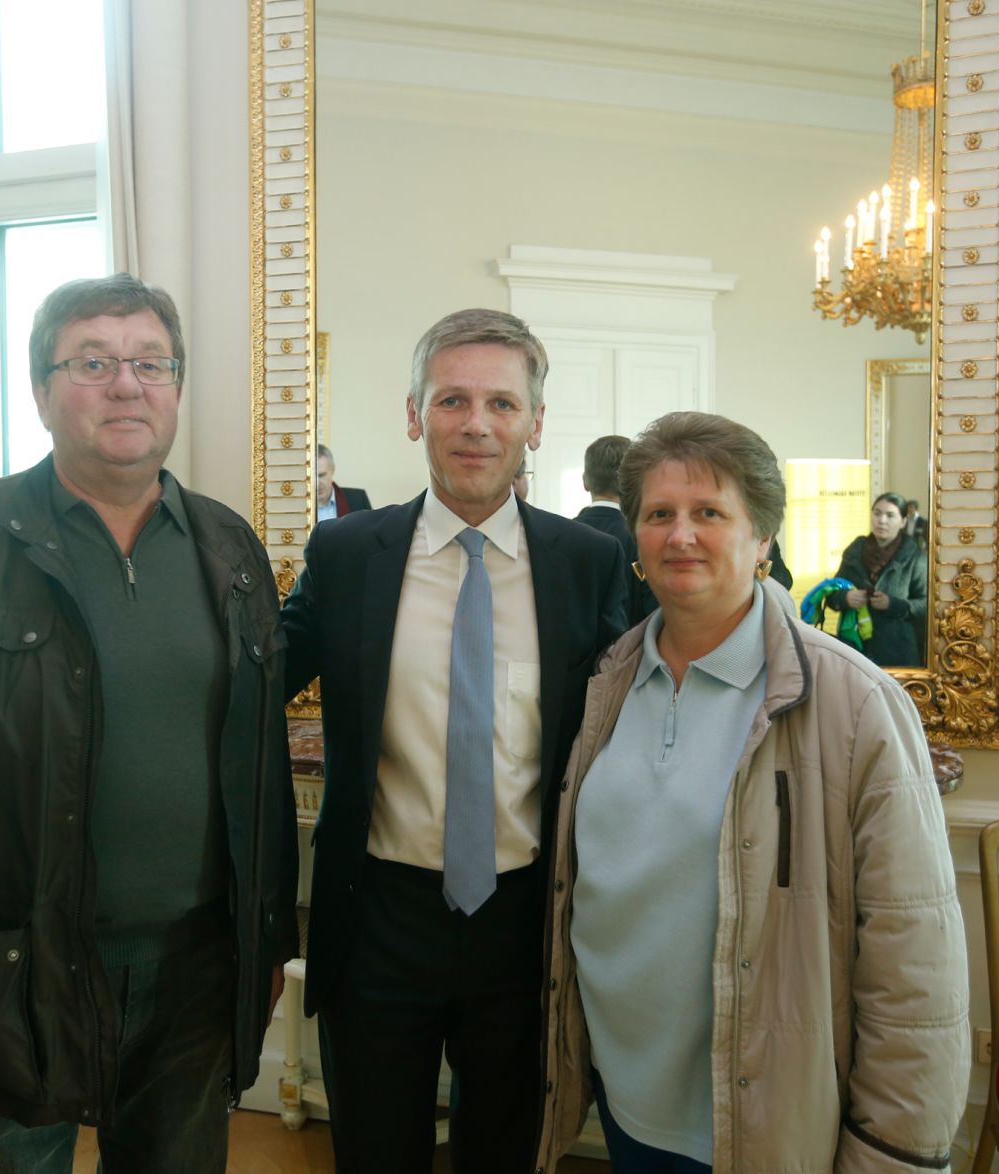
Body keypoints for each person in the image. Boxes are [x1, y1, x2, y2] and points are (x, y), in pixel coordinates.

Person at [0, 274, 299, 1174]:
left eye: (151, 362)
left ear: (179, 387)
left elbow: (258, 771)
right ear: (41, 391)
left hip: (193, 979)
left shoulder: (228, 549)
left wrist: (264, 946)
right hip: (5, 982)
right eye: (93, 362)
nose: (127, 384)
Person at [535, 411, 968, 1172]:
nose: (681, 536)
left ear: (763, 539)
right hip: (623, 1101)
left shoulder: (853, 703)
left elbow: (914, 966)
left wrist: (893, 1152)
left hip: (757, 1121)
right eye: (659, 514)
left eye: (710, 513)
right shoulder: (606, 683)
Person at [280, 308, 627, 1174]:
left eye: (503, 404)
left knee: (504, 1155)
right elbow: (252, 673)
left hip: (527, 920)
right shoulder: (348, 551)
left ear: (535, 424)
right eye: (452, 400)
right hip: (378, 918)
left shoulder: (587, 564)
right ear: (413, 414)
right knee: (374, 1153)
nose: (477, 425)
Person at [828, 491, 929, 667]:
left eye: (890, 515)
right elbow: (832, 593)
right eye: (877, 513)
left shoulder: (915, 557)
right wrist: (845, 598)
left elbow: (927, 605)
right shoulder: (854, 552)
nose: (882, 520)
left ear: (903, 522)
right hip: (854, 649)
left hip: (897, 653)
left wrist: (892, 604)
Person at [574, 434, 657, 624]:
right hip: (634, 648)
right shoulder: (645, 537)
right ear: (634, 483)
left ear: (585, 482)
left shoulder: (560, 537)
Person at [316, 443, 373, 522]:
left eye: (321, 475)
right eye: (312, 478)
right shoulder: (297, 506)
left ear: (332, 470)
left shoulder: (358, 500)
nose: (316, 483)